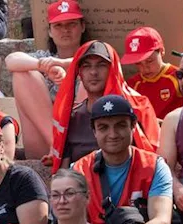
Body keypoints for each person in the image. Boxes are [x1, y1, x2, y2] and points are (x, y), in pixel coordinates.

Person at [72, 94, 172, 224]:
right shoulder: (79, 170)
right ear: (94, 131)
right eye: (103, 127)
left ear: (133, 126)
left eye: (120, 125)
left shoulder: (154, 165)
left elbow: (162, 222)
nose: (112, 134)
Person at [49, 40, 159, 171]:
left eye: (101, 65)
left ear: (113, 68)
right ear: (79, 72)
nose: (93, 72)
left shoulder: (138, 108)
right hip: (84, 187)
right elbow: (63, 172)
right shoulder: (71, 118)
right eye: (86, 66)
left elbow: (154, 158)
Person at [4, 0, 87, 160]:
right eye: (58, 26)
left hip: (82, 141)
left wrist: (63, 64)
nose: (66, 30)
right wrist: (43, 66)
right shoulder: (45, 58)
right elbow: (11, 60)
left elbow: (105, 60)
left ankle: (61, 148)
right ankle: (58, 145)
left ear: (82, 27)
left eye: (71, 24)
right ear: (49, 31)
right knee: (23, 74)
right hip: (46, 145)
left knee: (90, 74)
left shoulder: (94, 54)